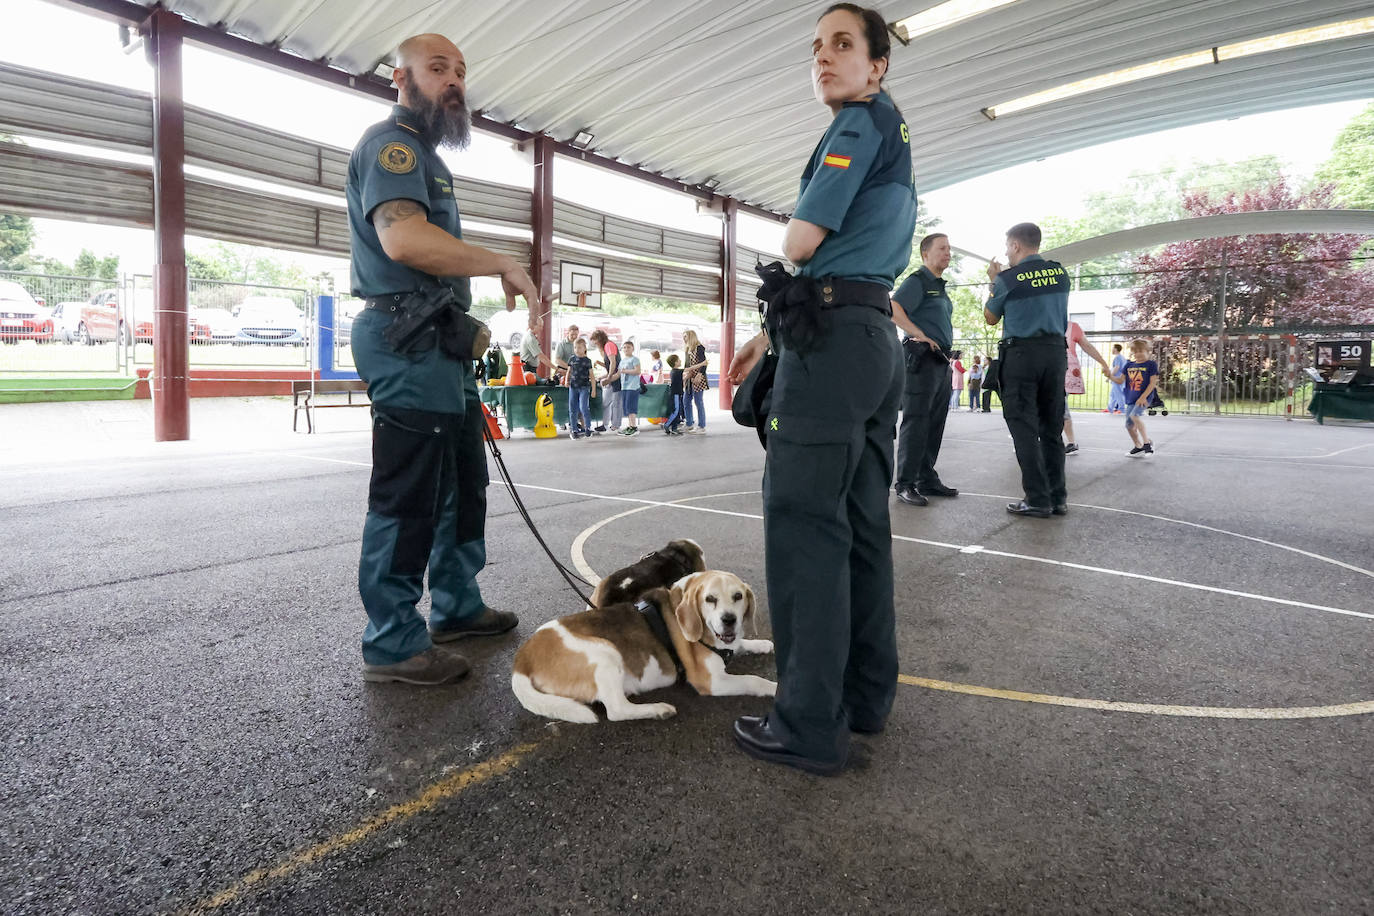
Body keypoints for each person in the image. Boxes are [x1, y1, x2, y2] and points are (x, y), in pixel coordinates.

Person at [725, 3, 915, 775]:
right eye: (817, 47)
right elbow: (847, 266)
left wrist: (789, 259)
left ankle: (807, 721)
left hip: (833, 349)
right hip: (870, 337)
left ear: (877, 65)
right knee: (862, 526)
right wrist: (771, 332)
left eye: (843, 45)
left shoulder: (856, 124)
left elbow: (800, 243)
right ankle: (865, 697)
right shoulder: (894, 133)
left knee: (806, 528)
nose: (824, 58)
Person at [346, 33, 538, 684]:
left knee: (463, 482)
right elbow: (403, 239)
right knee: (409, 496)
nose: (453, 80)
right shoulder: (391, 146)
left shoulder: (429, 158)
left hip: (440, 345)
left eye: (459, 71)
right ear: (399, 78)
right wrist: (503, 261)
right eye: (437, 69)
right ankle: (393, 640)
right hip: (406, 340)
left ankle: (457, 605)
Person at [983, 222, 1072, 519]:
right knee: (1051, 428)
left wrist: (994, 282)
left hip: (1022, 355)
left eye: (1008, 246)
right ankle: (1058, 497)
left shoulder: (1009, 278)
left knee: (1023, 428)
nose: (1007, 252)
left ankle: (1036, 498)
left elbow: (991, 317)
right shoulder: (1060, 273)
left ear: (1017, 245)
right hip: (1055, 354)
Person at [891, 232, 959, 507]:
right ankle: (905, 483)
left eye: (949, 248)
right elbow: (893, 308)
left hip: (940, 360)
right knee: (917, 420)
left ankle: (926, 477)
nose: (947, 253)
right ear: (925, 254)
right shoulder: (918, 281)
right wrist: (920, 334)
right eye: (942, 248)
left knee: (934, 421)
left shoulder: (939, 286)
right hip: (921, 358)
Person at [1061, 319, 1110, 454]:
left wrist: (1103, 363)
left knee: (1059, 405)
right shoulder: (1043, 322)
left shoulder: (1072, 327)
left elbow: (1087, 346)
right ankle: (1068, 442)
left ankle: (1070, 442)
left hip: (1065, 373)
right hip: (1047, 370)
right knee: (1055, 406)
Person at [1107, 337, 1160, 456]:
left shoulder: (1151, 365)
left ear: (1147, 351)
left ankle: (1147, 444)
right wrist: (1110, 376)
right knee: (1129, 425)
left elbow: (1152, 383)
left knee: (1135, 415)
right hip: (1131, 397)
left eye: (1141, 351)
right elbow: (1120, 381)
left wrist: (1143, 397)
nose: (1138, 354)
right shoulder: (1129, 365)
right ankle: (1138, 446)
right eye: (1135, 351)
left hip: (1144, 397)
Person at [589, 328, 621, 433]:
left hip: (616, 378)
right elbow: (609, 366)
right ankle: (605, 424)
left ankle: (615, 425)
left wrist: (609, 377)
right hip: (612, 377)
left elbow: (613, 362)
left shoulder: (609, 345)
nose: (594, 343)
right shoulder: (605, 347)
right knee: (606, 403)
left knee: (616, 403)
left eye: (595, 341)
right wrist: (603, 375)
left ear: (599, 339)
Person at [566, 337, 597, 439]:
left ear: (584, 348)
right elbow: (569, 371)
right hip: (573, 387)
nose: (577, 350)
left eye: (579, 347)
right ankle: (574, 429)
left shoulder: (587, 361)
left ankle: (588, 428)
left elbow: (592, 376)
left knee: (583, 407)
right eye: (575, 347)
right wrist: (566, 380)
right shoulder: (572, 359)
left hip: (584, 387)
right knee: (572, 408)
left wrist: (593, 389)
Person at [611, 340, 642, 435]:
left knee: (631, 407)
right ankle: (630, 426)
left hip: (633, 387)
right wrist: (608, 379)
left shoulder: (635, 359)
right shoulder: (622, 361)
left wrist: (626, 371)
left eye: (628, 347)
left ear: (633, 349)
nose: (626, 349)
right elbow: (618, 374)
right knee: (626, 408)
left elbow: (637, 371)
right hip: (624, 387)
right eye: (624, 347)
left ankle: (634, 427)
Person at [682, 329, 709, 433]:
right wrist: (685, 377)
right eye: (683, 337)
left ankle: (702, 426)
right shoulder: (687, 349)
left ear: (691, 336)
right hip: (689, 378)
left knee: (698, 401)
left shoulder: (699, 348)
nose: (684, 339)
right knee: (686, 400)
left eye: (685, 336)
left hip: (698, 378)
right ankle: (689, 423)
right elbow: (686, 365)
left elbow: (704, 363)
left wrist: (700, 374)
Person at [663, 354, 685, 435]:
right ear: (675, 363)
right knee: (676, 410)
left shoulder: (675, 372)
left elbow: (680, 380)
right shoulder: (677, 371)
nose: (680, 361)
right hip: (675, 394)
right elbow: (690, 368)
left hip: (678, 393)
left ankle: (674, 428)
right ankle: (667, 424)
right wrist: (702, 364)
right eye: (679, 359)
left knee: (678, 411)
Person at [1107, 343, 1127, 414]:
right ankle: (1109, 408)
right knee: (1113, 394)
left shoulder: (1118, 358)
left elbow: (1116, 367)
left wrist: (1110, 376)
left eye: (1112, 348)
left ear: (1115, 349)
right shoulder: (1122, 357)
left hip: (1117, 379)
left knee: (1118, 394)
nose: (1112, 350)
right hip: (1120, 378)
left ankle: (1122, 409)